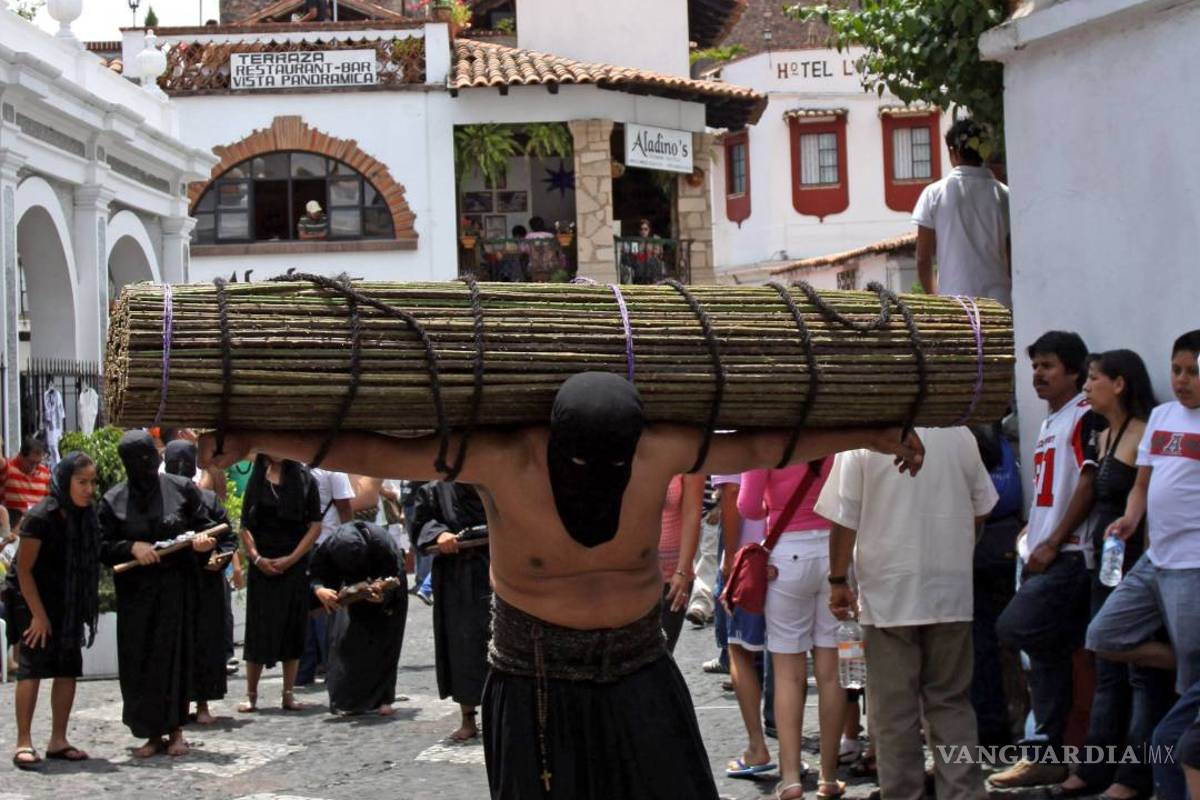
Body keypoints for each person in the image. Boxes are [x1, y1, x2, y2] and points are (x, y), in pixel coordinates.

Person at [201, 371, 924, 800]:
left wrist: (873, 432)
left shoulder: (657, 447)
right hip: (535, 683)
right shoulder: (503, 457)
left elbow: (766, 443)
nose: (603, 473)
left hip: (640, 672)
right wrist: (255, 439)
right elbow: (377, 448)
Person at [819, 427, 998, 800]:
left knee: (894, 712)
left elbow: (844, 516)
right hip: (949, 589)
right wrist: (950, 541)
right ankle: (963, 792)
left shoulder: (868, 437)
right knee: (951, 702)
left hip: (889, 589)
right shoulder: (959, 433)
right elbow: (982, 507)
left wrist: (837, 579)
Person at [1054, 351, 1175, 800]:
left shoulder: (1144, 432)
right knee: (1105, 663)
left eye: (1094, 379)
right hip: (1106, 564)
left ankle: (1134, 775)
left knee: (1142, 675)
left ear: (1120, 384)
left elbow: (1147, 493)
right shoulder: (1100, 435)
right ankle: (1096, 768)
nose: (1086, 387)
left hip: (1140, 562)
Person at [1087, 330, 1200, 800]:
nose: (1182, 380)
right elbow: (1142, 484)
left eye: (1193, 372)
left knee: (1188, 694)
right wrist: (1131, 519)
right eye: (1177, 370)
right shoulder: (1163, 417)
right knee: (1103, 635)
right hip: (1155, 559)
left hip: (1193, 564)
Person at [991, 331, 1100, 788]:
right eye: (1034, 366)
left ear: (1074, 372)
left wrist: (1054, 539)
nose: (1038, 374)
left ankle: (1060, 749)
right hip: (1042, 551)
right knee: (1047, 651)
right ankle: (1048, 751)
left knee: (1016, 628)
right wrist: (1032, 529)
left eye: (1048, 366)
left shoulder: (1084, 416)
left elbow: (1088, 482)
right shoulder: (1050, 419)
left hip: (1070, 554)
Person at [99, 431, 219, 758]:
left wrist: (202, 544)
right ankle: (151, 733)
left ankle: (177, 729)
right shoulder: (113, 501)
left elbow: (205, 527)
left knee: (174, 659)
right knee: (140, 661)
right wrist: (130, 547)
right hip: (136, 596)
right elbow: (101, 546)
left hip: (175, 591)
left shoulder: (181, 490)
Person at [739, 461, 842, 800]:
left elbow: (748, 506)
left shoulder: (770, 440)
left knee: (788, 675)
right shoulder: (833, 436)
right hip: (835, 549)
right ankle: (829, 777)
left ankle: (792, 778)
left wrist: (773, 503)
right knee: (831, 673)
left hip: (787, 552)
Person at [10, 451, 100, 770]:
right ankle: (23, 741)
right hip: (31, 596)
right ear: (65, 481)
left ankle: (58, 740)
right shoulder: (41, 516)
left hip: (67, 597)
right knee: (32, 667)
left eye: (92, 483)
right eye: (81, 482)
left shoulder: (86, 516)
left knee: (67, 667)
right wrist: (38, 615)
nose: (89, 489)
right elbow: (23, 571)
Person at [237, 455, 322, 713]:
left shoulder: (306, 479)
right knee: (258, 628)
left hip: (293, 562)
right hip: (261, 564)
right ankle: (251, 694)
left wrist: (292, 559)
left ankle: (288, 693)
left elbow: (315, 525)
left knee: (292, 626)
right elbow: (245, 525)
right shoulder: (257, 478)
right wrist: (256, 558)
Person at [161, 440, 236, 727]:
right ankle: (175, 706)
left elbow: (227, 537)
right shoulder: (159, 500)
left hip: (205, 584)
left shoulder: (208, 500)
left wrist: (216, 556)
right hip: (173, 583)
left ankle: (203, 702)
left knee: (205, 642)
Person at [412, 480, 491, 741]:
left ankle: (506, 714)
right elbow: (421, 523)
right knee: (462, 647)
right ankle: (468, 717)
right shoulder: (434, 491)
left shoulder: (494, 482)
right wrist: (439, 534)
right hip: (458, 575)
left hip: (499, 569)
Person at [713, 473, 776, 781]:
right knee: (788, 656)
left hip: (748, 557)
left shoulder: (731, 444)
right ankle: (792, 756)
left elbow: (732, 495)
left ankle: (756, 746)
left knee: (738, 650)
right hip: (793, 548)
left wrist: (729, 559)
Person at [309, 520, 407, 715]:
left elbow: (394, 575)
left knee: (385, 641)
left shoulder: (382, 544)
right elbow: (315, 574)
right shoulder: (329, 546)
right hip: (350, 594)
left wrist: (383, 596)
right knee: (345, 642)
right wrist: (320, 590)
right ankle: (347, 700)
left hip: (383, 591)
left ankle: (384, 698)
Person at [913, 118, 1011, 307]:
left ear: (953, 151)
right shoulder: (1004, 195)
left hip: (956, 304)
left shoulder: (934, 194)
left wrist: (936, 300)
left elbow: (923, 258)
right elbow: (1012, 256)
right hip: (1000, 304)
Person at [296, 466, 354, 686]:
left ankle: (304, 671)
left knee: (306, 608)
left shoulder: (292, 468)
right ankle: (332, 667)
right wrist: (351, 541)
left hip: (300, 546)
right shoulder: (333, 469)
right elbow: (344, 507)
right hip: (328, 542)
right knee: (328, 607)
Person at [658, 473, 703, 653]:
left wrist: (683, 570)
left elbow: (692, 513)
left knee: (663, 654)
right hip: (632, 576)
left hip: (673, 577)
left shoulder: (687, 458)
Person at [1, 436, 51, 530]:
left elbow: (49, 501)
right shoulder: (8, 469)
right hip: (12, 527)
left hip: (36, 527)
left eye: (38, 463)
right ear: (20, 456)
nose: (34, 467)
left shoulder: (44, 473)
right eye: (31, 462)